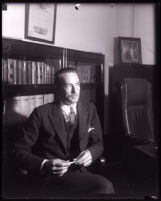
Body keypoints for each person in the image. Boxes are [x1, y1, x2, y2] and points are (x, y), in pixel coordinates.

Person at [12, 68, 115, 196]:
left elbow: (98, 143)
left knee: (102, 187)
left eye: (77, 85)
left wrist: (91, 153)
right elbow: (18, 150)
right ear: (58, 88)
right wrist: (45, 164)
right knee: (104, 186)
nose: (75, 90)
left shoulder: (90, 109)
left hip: (81, 173)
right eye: (68, 86)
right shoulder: (41, 113)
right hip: (52, 177)